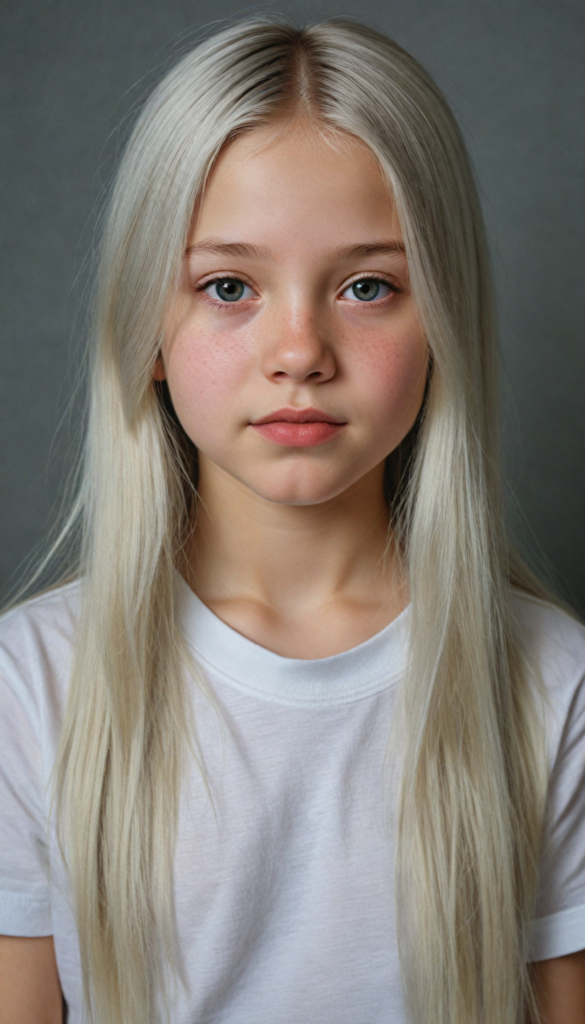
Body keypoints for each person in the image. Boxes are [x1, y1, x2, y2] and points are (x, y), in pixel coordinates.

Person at [0, 18, 584, 1024]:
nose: (300, 349)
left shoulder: (550, 680)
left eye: (368, 286)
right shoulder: (34, 683)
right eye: (229, 286)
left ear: (442, 319)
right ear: (146, 326)